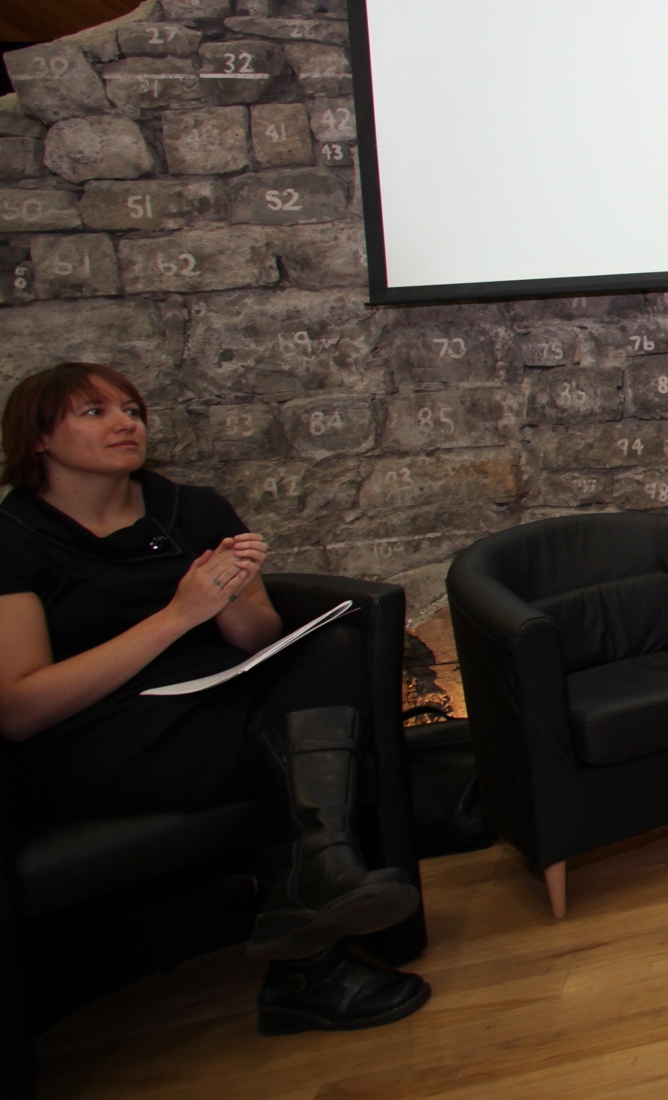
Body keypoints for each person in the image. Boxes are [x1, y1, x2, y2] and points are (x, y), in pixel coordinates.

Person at [0, 363, 430, 1035]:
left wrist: (231, 594)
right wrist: (178, 615)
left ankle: (316, 886)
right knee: (294, 749)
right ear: (38, 438)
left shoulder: (190, 507)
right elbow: (21, 708)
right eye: (95, 412)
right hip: (101, 736)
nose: (126, 424)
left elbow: (257, 636)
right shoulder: (14, 539)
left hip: (219, 699)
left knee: (334, 648)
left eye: (132, 411)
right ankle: (311, 938)